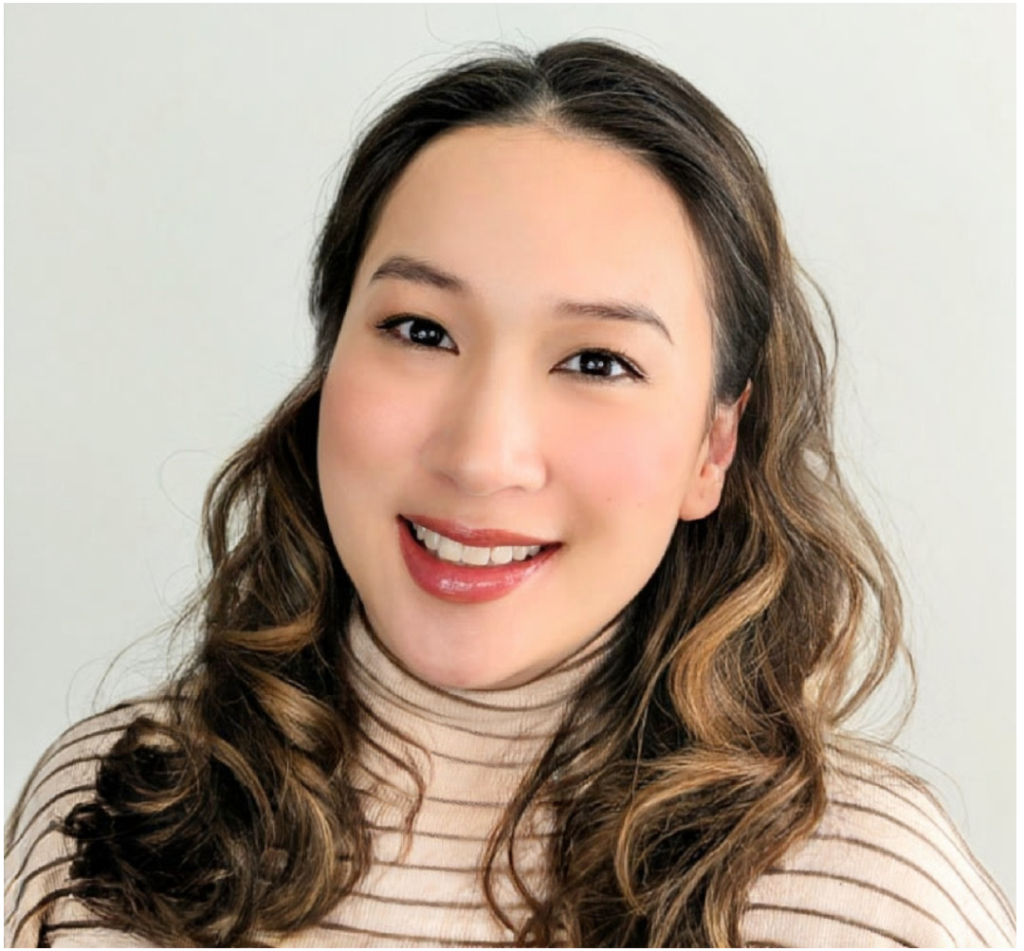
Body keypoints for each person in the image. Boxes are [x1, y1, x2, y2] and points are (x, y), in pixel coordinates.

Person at [2, 39, 1015, 950]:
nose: (482, 456)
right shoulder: (102, 821)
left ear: (714, 446)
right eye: (420, 331)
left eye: (597, 361)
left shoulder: (873, 899)